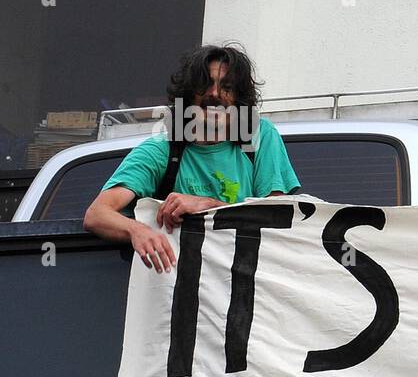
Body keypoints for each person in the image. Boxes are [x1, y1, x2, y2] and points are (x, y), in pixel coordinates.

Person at [84, 44, 301, 273]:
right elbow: (96, 214)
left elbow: (278, 221)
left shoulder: (259, 136)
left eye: (227, 87)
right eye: (205, 84)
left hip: (248, 284)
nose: (215, 94)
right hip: (180, 288)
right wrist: (138, 231)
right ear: (188, 94)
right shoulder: (162, 150)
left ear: (239, 99)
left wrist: (209, 207)